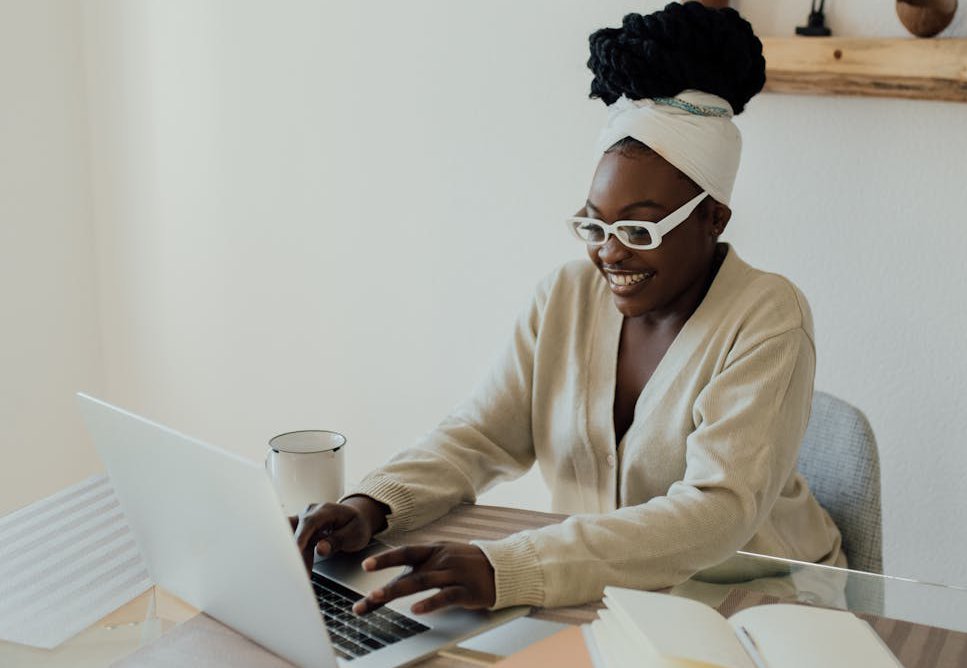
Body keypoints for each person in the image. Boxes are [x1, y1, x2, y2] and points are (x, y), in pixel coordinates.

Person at [292, 1, 844, 617]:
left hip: (759, 603)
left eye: (639, 230)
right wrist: (372, 503)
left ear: (713, 218)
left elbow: (716, 512)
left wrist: (514, 566)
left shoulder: (769, 317)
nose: (609, 252)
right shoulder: (565, 297)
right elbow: (479, 434)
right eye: (594, 225)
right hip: (606, 597)